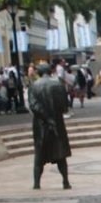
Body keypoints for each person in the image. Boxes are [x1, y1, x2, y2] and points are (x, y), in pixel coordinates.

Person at [28, 62, 73, 190]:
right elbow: (65, 106)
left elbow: (33, 105)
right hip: (57, 123)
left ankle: (37, 183)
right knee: (60, 155)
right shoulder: (58, 84)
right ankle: (65, 181)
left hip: (40, 125)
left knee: (39, 156)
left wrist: (46, 118)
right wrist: (52, 118)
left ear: (39, 72)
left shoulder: (34, 86)